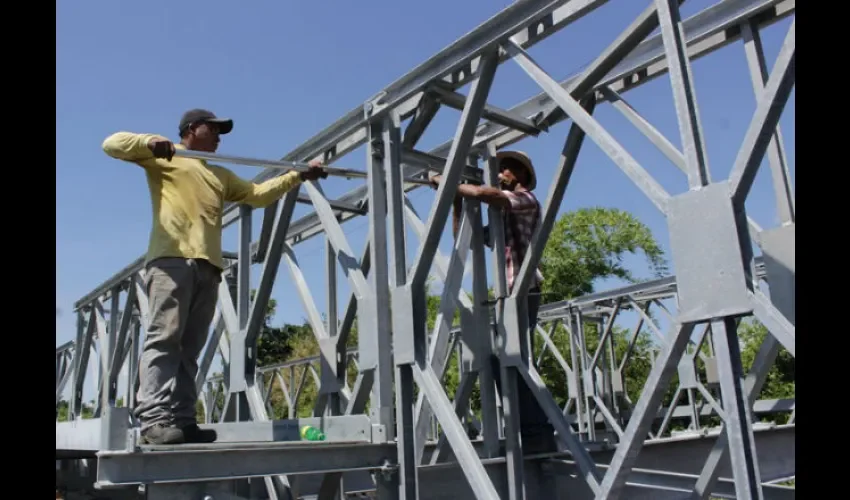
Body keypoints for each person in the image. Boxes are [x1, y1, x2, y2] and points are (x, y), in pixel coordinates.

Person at [102, 109, 326, 445]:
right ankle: (153, 420)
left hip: (208, 267)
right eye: (215, 129)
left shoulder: (219, 176)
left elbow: (258, 194)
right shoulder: (165, 158)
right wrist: (148, 141)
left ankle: (183, 420)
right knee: (165, 339)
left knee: (190, 348)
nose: (220, 136)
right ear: (192, 129)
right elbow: (111, 144)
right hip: (172, 260)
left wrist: (298, 176)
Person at [429, 150, 555, 452]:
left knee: (512, 359)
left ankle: (539, 435)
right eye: (499, 168)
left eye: (507, 168)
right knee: (506, 361)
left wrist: (446, 183)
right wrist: (456, 200)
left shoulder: (526, 200)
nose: (501, 172)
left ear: (522, 175)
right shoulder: (501, 218)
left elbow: (487, 194)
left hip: (523, 292)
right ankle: (534, 433)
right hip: (508, 297)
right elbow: (467, 239)